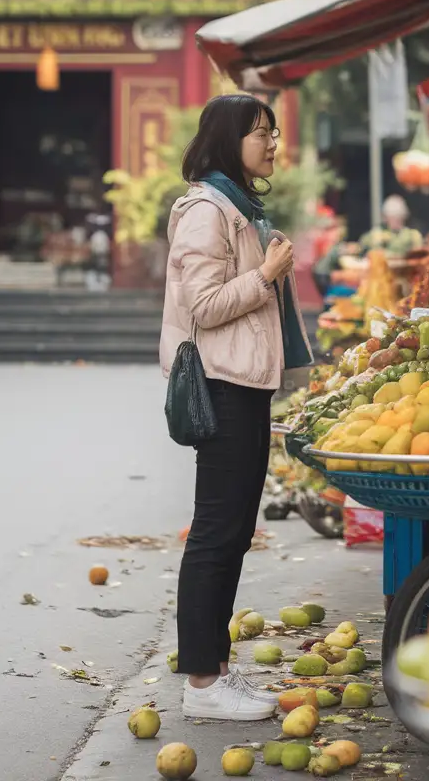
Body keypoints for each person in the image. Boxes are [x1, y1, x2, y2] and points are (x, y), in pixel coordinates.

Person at [160, 93, 312, 721]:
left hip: (245, 384)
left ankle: (216, 669)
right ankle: (200, 685)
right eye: (258, 134)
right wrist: (267, 275)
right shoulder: (206, 210)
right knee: (215, 534)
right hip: (221, 385)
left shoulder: (240, 207)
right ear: (227, 141)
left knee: (233, 534)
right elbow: (203, 306)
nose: (271, 143)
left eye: (273, 132)